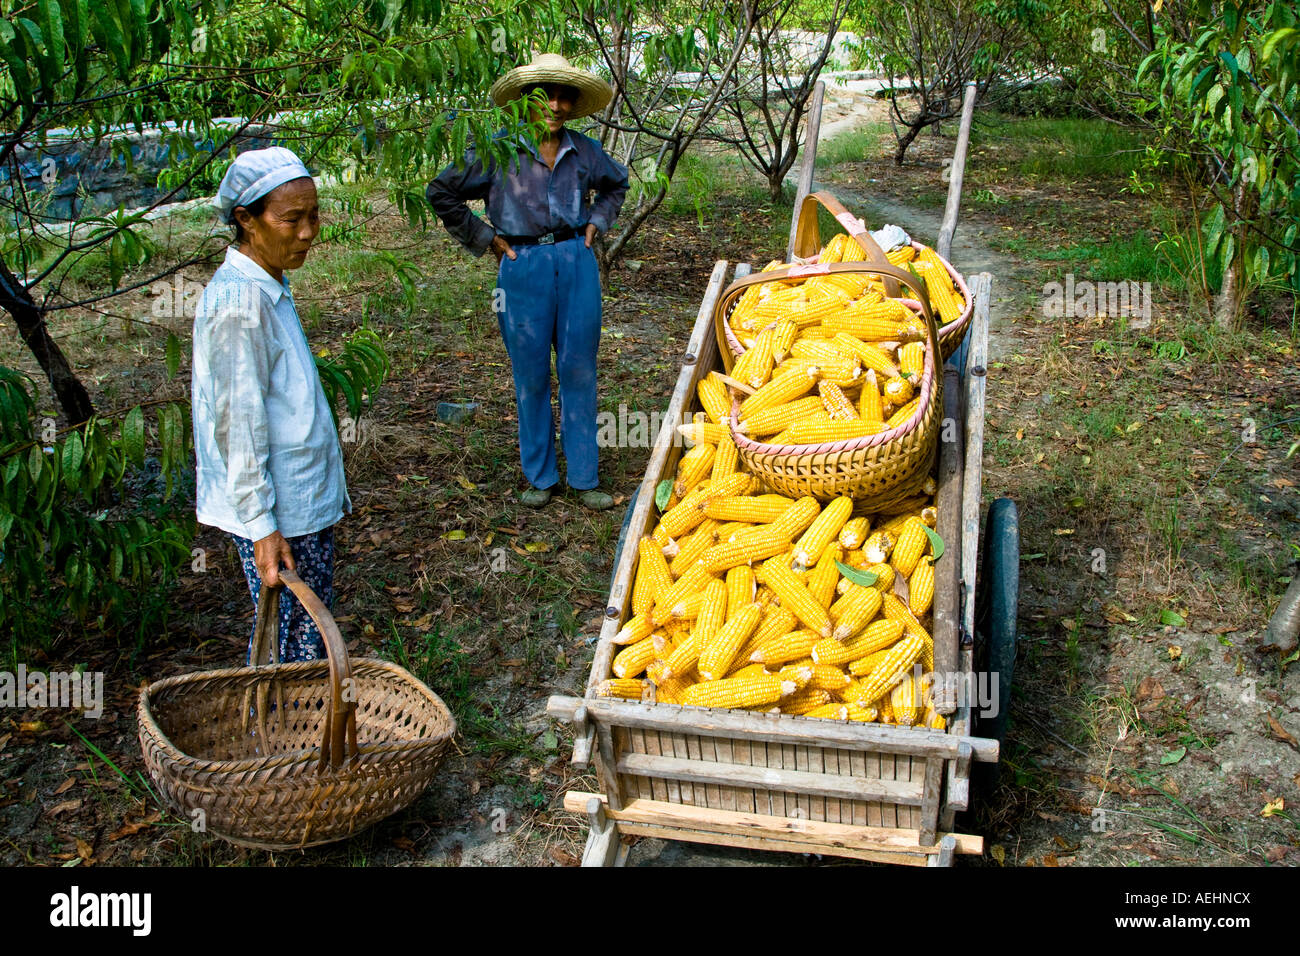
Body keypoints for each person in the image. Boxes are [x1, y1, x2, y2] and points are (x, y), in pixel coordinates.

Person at [426, 53, 629, 510]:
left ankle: (584, 476)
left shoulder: (585, 150)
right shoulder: (498, 151)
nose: (555, 106)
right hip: (522, 265)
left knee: (579, 369)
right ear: (525, 102)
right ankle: (540, 476)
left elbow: (617, 183)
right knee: (531, 374)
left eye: (563, 98)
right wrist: (485, 237)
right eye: (545, 96)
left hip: (576, 260)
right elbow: (441, 190)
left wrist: (598, 220)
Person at [192, 146, 349, 662]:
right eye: (291, 219)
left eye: (314, 215)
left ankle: (299, 727)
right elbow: (237, 423)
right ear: (246, 219)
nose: (308, 232)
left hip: (298, 496)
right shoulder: (239, 304)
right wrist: (262, 526)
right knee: (294, 645)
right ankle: (289, 734)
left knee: (299, 634)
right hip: (281, 509)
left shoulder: (267, 284)